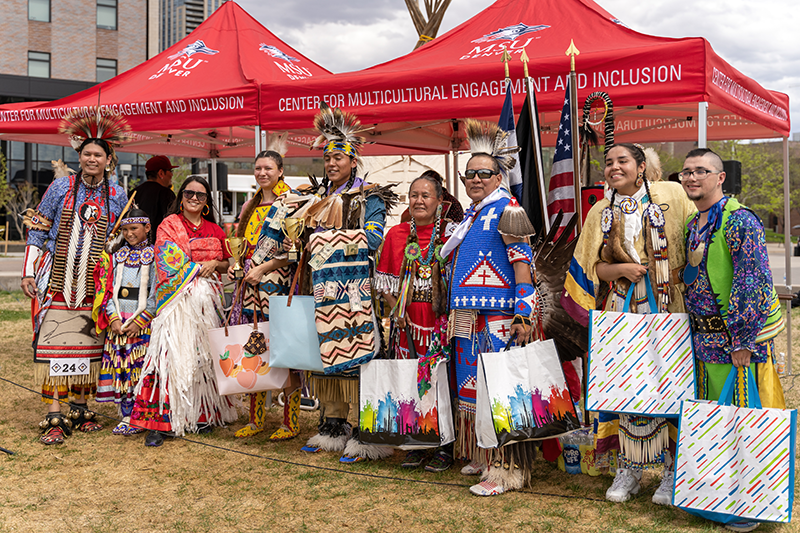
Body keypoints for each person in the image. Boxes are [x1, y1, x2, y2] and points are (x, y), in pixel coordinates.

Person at [562, 143, 695, 505]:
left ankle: (671, 471)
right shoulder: (600, 212)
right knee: (625, 385)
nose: (614, 167)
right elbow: (593, 268)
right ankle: (629, 469)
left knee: (670, 384)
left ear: (642, 167)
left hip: (668, 307)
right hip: (621, 310)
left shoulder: (673, 194)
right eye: (608, 163)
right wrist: (622, 269)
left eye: (623, 161)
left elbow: (698, 238)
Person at [680, 148, 785, 533]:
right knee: (713, 421)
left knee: (744, 421)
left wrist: (742, 340)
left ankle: (748, 506)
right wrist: (689, 266)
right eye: (686, 172)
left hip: (736, 342)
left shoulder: (740, 221)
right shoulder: (694, 224)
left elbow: (751, 280)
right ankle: (713, 496)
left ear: (720, 177)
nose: (692, 178)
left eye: (701, 171)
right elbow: (692, 282)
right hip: (703, 341)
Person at [442, 119, 539, 496]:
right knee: (472, 389)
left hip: (497, 317)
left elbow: (522, 266)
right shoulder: (472, 215)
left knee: (499, 389)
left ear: (500, 176)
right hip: (468, 316)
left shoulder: (507, 210)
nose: (475, 179)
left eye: (484, 173)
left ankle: (506, 470)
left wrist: (523, 313)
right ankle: (486, 456)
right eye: (469, 175)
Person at [21, 111, 129, 445]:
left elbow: (122, 237)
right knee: (55, 341)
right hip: (56, 279)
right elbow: (38, 228)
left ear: (109, 160)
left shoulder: (117, 195)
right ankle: (55, 413)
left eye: (98, 154)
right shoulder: (60, 186)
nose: (91, 159)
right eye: (86, 154)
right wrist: (28, 271)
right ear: (79, 157)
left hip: (95, 284)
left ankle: (80, 408)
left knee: (87, 344)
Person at [300, 104, 397, 463]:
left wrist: (329, 239)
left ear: (353, 161)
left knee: (359, 355)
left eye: (339, 157)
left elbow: (374, 238)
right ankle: (333, 426)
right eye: (327, 158)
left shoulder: (369, 195)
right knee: (326, 354)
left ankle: (364, 431)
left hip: (356, 290)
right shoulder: (316, 196)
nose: (331, 163)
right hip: (323, 289)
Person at [130, 176, 237, 447]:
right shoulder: (169, 225)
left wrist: (215, 262)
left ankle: (201, 415)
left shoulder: (216, 229)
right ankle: (163, 422)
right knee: (171, 357)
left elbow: (227, 263)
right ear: (181, 196)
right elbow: (167, 261)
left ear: (206, 202)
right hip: (177, 304)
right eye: (189, 193)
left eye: (200, 195)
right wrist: (201, 267)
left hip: (208, 305)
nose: (194, 198)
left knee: (203, 358)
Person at [375, 174, 455, 471]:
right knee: (409, 381)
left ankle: (444, 445)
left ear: (439, 201)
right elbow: (384, 283)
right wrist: (397, 308)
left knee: (439, 383)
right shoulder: (395, 235)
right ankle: (416, 442)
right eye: (414, 195)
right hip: (407, 323)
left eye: (426, 195)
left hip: (438, 323)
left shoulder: (451, 233)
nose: (419, 200)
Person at [229, 135, 302, 441]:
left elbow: (297, 251)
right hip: (251, 290)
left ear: (281, 171)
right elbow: (243, 246)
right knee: (254, 350)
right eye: (257, 168)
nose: (262, 173)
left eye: (268, 168)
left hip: (280, 288)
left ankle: (290, 422)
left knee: (284, 354)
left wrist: (264, 268)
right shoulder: (251, 205)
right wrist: (238, 264)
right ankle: (256, 419)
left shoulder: (293, 202)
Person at [92, 209, 156, 435]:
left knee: (140, 369)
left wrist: (142, 321)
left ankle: (142, 413)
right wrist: (113, 318)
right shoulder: (116, 257)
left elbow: (156, 294)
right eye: (125, 230)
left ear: (147, 228)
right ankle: (127, 414)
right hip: (119, 323)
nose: (129, 234)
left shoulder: (156, 256)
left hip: (141, 324)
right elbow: (107, 291)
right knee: (122, 369)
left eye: (134, 229)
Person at [133, 155, 178, 241]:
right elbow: (173, 223)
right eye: (170, 171)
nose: (172, 174)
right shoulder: (166, 193)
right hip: (160, 246)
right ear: (161, 173)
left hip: (135, 245)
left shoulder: (134, 193)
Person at [399, 170, 464, 224]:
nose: (419, 201)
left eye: (425, 195)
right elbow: (404, 218)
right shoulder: (419, 200)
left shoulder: (452, 203)